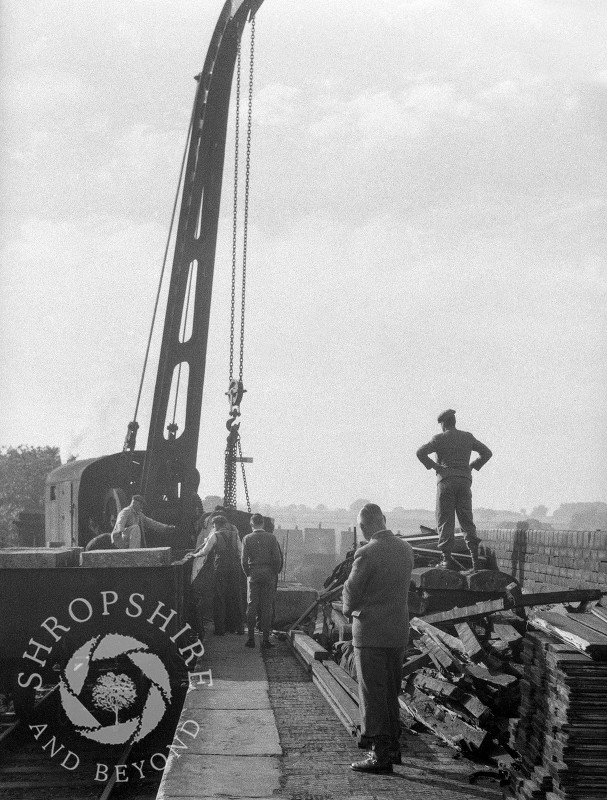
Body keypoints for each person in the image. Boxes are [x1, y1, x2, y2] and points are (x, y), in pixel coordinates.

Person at [343, 503, 414, 774]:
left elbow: (350, 593)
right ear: (384, 520)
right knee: (390, 693)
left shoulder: (366, 553)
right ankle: (394, 749)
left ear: (363, 527)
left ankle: (379, 756)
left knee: (372, 695)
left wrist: (350, 610)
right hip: (397, 632)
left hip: (370, 634)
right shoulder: (406, 549)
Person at [416, 409, 492, 571]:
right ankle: (475, 561)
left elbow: (420, 452)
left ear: (443, 424)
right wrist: (472, 466)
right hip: (464, 482)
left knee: (445, 520)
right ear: (454, 422)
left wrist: (436, 466)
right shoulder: (467, 437)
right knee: (466, 520)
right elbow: (487, 453)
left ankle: (447, 559)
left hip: (446, 482)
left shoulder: (439, 439)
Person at [186, 515, 243, 636]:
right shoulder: (234, 534)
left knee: (219, 596)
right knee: (235, 595)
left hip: (221, 566)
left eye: (213, 525)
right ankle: (239, 628)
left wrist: (194, 555)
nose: (213, 527)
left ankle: (220, 629)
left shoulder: (215, 535)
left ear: (216, 524)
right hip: (234, 567)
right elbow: (240, 550)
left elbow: (205, 551)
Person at [241, 513, 283, 649]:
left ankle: (251, 639)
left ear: (251, 524)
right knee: (267, 606)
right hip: (268, 574)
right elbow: (277, 559)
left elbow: (243, 561)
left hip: (253, 574)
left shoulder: (247, 538)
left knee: (251, 605)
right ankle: (265, 639)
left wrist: (249, 574)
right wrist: (273, 573)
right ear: (263, 524)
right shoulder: (271, 538)